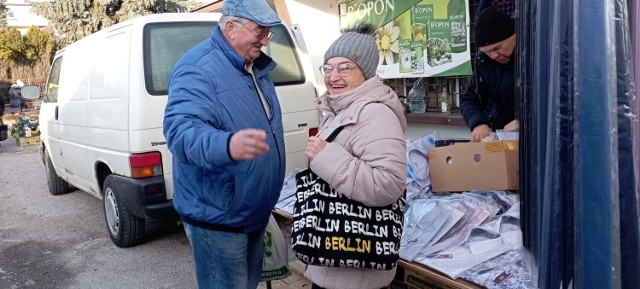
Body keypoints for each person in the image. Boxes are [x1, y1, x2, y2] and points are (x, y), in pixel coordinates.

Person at [162, 0, 284, 288]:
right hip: (219, 218)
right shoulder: (198, 68)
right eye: (259, 31)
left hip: (251, 212)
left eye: (268, 32)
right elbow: (180, 132)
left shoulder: (252, 66)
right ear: (231, 27)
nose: (265, 40)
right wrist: (227, 145)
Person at [302, 23, 408, 289]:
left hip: (354, 269)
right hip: (335, 260)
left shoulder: (374, 113)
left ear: (366, 72)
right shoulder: (340, 109)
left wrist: (326, 157)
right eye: (328, 68)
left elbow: (388, 184)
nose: (333, 76)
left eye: (345, 67)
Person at [460, 7, 518, 142]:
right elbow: (469, 99)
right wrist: (479, 123)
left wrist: (524, 121)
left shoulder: (532, 57)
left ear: (514, 36)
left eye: (497, 48)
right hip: (502, 135)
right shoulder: (484, 62)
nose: (493, 56)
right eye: (487, 52)